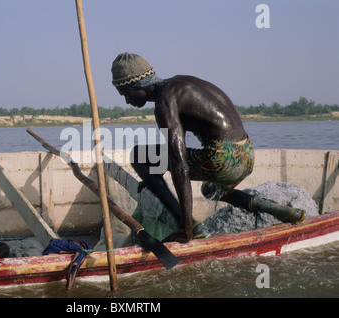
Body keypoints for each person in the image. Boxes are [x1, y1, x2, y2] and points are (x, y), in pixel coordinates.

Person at [111, 52, 305, 243]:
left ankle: (187, 226)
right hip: (246, 154)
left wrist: (186, 230)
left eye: (126, 94)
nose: (127, 101)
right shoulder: (181, 83)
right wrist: (151, 176)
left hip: (222, 159)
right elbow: (173, 150)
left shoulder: (164, 102)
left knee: (139, 155)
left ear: (136, 85)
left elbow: (179, 166)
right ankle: (280, 210)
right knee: (211, 190)